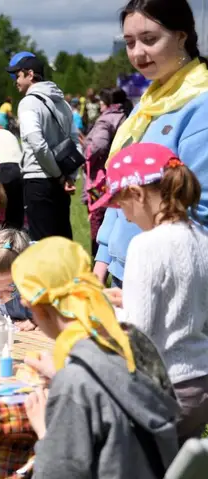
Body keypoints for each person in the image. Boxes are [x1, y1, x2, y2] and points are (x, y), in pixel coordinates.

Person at [15, 237, 179, 479]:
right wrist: (64, 375)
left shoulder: (75, 384)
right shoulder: (131, 340)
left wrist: (45, 432)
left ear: (38, 307)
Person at [94, 143, 208, 442]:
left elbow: (136, 333)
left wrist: (100, 312)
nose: (127, 218)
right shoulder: (201, 238)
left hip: (166, 386)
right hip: (200, 380)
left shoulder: (145, 246)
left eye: (122, 207)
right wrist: (126, 298)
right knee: (178, 475)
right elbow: (186, 300)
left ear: (137, 193)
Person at [94, 0, 208, 287]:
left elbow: (200, 207)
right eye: (130, 42)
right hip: (125, 269)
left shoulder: (201, 105)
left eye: (149, 39)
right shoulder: (148, 104)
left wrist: (159, 272)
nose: (137, 53)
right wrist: (102, 260)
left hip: (165, 277)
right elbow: (121, 185)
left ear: (182, 36)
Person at [6, 52, 77, 241]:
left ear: (30, 74)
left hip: (38, 180)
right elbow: (75, 142)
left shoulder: (28, 103)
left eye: (17, 75)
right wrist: (69, 177)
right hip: (61, 181)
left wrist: (59, 176)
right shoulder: (63, 103)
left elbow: (37, 144)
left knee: (41, 244)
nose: (15, 81)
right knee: (62, 242)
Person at [84, 88, 130, 257]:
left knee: (98, 219)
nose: (100, 108)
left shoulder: (106, 120)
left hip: (103, 179)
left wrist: (87, 156)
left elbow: (98, 145)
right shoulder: (130, 115)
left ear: (108, 104)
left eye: (102, 104)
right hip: (124, 175)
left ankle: (99, 267)